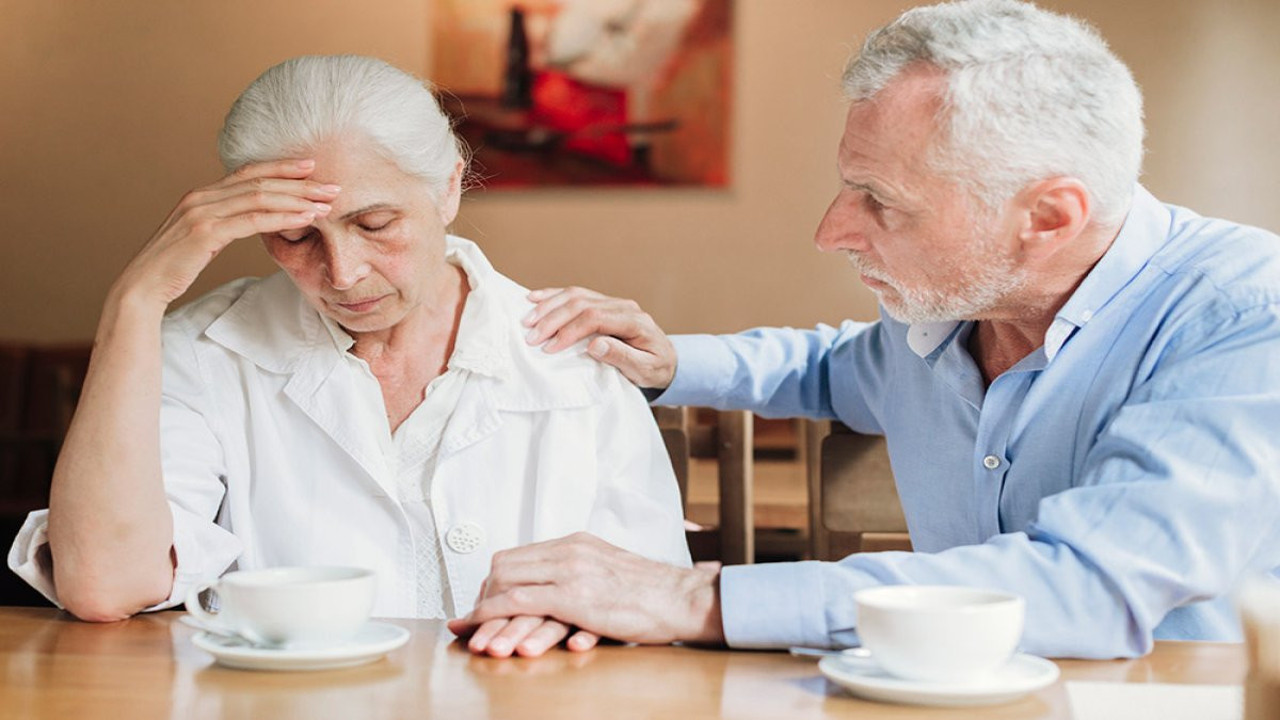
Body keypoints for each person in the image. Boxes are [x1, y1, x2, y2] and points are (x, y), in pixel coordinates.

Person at [450, 0, 1280, 659]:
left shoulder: (1247, 316)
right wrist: (673, 362)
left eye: (881, 201)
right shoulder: (949, 308)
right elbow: (833, 369)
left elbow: (1093, 587)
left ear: (1050, 216)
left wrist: (692, 596)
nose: (831, 231)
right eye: (849, 186)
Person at [7, 55, 690, 657]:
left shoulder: (575, 353)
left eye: (375, 224)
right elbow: (104, 586)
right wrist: (136, 299)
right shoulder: (201, 352)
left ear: (448, 189)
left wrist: (592, 622)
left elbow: (659, 607)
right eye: (294, 236)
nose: (341, 272)